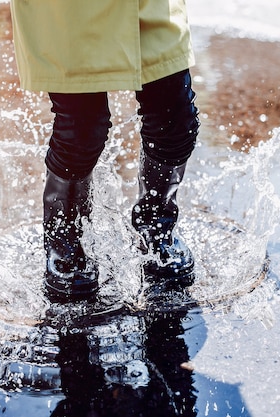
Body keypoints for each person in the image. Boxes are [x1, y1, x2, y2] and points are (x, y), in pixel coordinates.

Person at [10, 0, 199, 302]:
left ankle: (156, 226)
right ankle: (65, 238)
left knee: (176, 121)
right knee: (83, 133)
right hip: (67, 10)